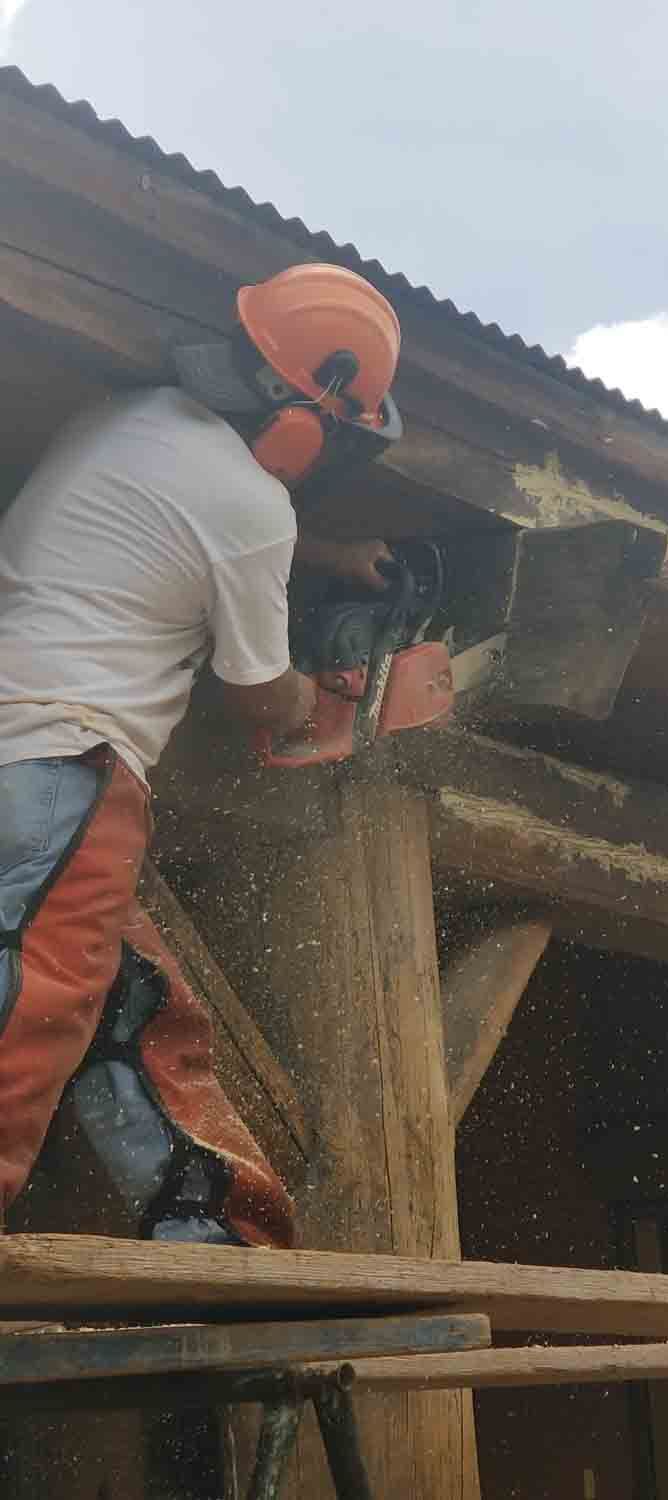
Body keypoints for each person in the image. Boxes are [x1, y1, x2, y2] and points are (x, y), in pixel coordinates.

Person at [0, 262, 403, 1248]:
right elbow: (263, 692)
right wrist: (335, 694)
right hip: (68, 763)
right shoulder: (249, 507)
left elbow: (190, 518)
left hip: (23, 754)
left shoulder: (121, 417)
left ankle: (212, 1237)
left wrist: (329, 557)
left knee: (129, 1000)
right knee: (31, 1005)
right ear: (308, 415)